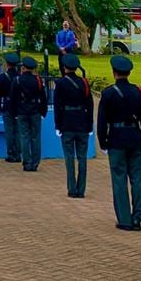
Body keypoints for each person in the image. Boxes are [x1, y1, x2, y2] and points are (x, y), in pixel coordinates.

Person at [97, 54, 141, 231]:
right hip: (136, 137)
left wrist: (103, 141)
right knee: (137, 179)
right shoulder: (140, 92)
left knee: (119, 179)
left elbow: (102, 120)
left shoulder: (109, 93)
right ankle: (138, 216)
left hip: (117, 138)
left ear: (114, 72)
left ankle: (124, 218)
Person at [53, 52, 94, 197]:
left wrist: (58, 125)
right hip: (82, 122)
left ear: (65, 68)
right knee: (82, 158)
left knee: (69, 158)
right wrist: (90, 125)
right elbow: (90, 105)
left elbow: (57, 106)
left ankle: (72, 188)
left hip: (67, 122)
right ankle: (81, 189)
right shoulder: (84, 83)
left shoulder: (61, 83)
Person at [10, 55, 47, 171]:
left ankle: (27, 162)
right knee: (36, 137)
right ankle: (35, 163)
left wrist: (14, 112)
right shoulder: (38, 80)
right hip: (35, 110)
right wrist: (43, 111)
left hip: (21, 111)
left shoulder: (17, 80)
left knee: (24, 137)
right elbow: (43, 97)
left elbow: (13, 98)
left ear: (24, 67)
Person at [0, 51, 21, 163]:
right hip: (19, 105)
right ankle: (18, 153)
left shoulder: (2, 77)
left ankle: (11, 153)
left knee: (9, 131)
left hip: (7, 104)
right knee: (18, 131)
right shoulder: (20, 77)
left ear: (7, 64)